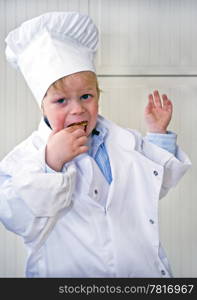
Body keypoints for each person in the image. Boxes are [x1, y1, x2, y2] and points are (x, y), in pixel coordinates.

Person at [0, 11, 191, 278]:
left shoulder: (125, 140)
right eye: (61, 101)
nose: (77, 110)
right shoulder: (24, 159)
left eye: (86, 96)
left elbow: (154, 186)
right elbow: (17, 217)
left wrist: (157, 133)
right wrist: (51, 163)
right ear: (41, 105)